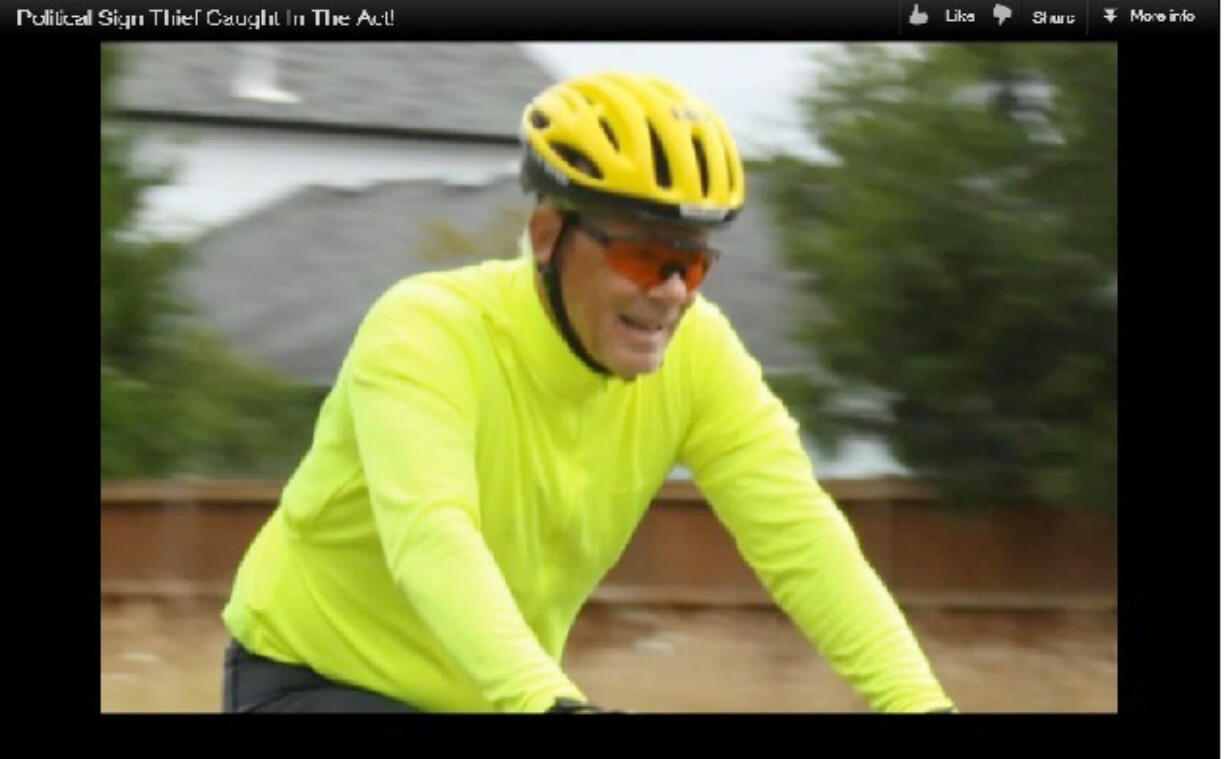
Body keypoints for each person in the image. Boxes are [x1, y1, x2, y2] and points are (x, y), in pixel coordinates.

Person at [219, 71, 957, 714]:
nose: (669, 292)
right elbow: (433, 537)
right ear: (547, 236)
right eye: (643, 255)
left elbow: (802, 535)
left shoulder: (698, 354)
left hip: (496, 695)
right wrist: (549, 702)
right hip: (311, 678)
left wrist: (918, 700)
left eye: (692, 266)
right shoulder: (425, 332)